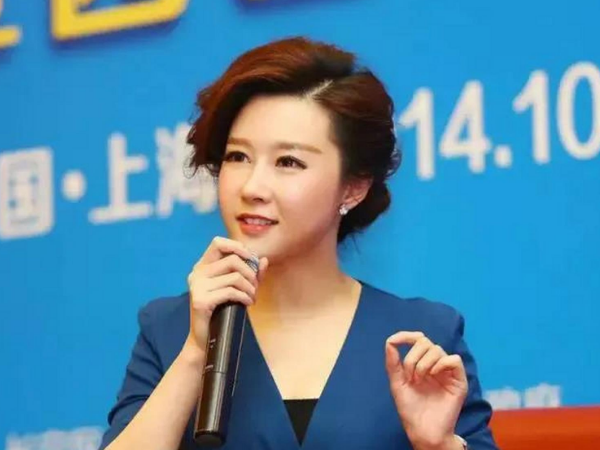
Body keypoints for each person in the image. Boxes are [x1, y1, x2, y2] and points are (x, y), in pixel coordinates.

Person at [99, 36, 498, 450]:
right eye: (238, 157)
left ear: (353, 187)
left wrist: (439, 445)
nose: (252, 187)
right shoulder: (169, 330)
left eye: (288, 162)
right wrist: (197, 352)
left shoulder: (422, 338)